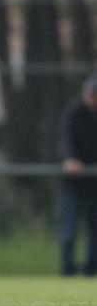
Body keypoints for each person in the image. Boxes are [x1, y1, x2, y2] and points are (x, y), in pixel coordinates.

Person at [58, 74, 97, 276]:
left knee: (95, 229)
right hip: (73, 180)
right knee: (69, 229)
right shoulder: (73, 113)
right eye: (92, 95)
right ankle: (67, 271)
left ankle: (91, 271)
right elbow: (65, 139)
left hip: (94, 182)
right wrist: (70, 159)